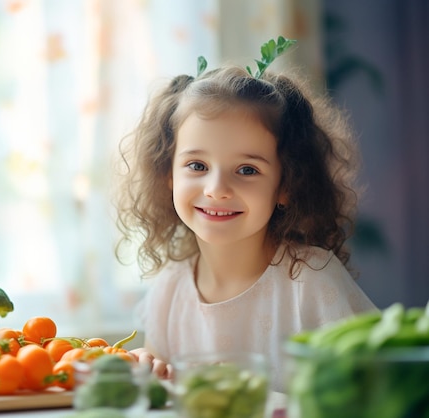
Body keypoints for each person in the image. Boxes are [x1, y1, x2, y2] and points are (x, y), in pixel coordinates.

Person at [114, 53, 377, 392]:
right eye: (197, 166)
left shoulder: (312, 281)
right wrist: (149, 369)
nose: (217, 190)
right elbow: (161, 393)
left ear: (286, 186)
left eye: (247, 170)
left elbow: (372, 391)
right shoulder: (169, 290)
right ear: (168, 174)